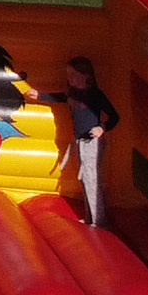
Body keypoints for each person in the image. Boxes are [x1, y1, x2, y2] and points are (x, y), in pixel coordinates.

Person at [53, 55, 120, 225]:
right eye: (68, 75)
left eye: (73, 75)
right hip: (80, 141)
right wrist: (39, 94)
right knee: (84, 179)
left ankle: (99, 220)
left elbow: (114, 116)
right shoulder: (73, 93)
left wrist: (101, 128)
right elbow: (60, 97)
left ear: (86, 76)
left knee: (91, 178)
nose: (70, 79)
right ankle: (91, 216)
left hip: (92, 142)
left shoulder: (95, 95)